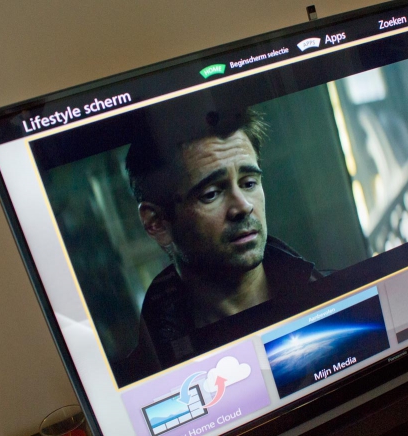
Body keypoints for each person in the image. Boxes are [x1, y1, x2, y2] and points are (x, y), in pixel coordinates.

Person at [118, 108, 322, 384]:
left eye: (249, 183)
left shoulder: (332, 296)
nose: (243, 206)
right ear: (157, 223)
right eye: (211, 193)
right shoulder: (145, 376)